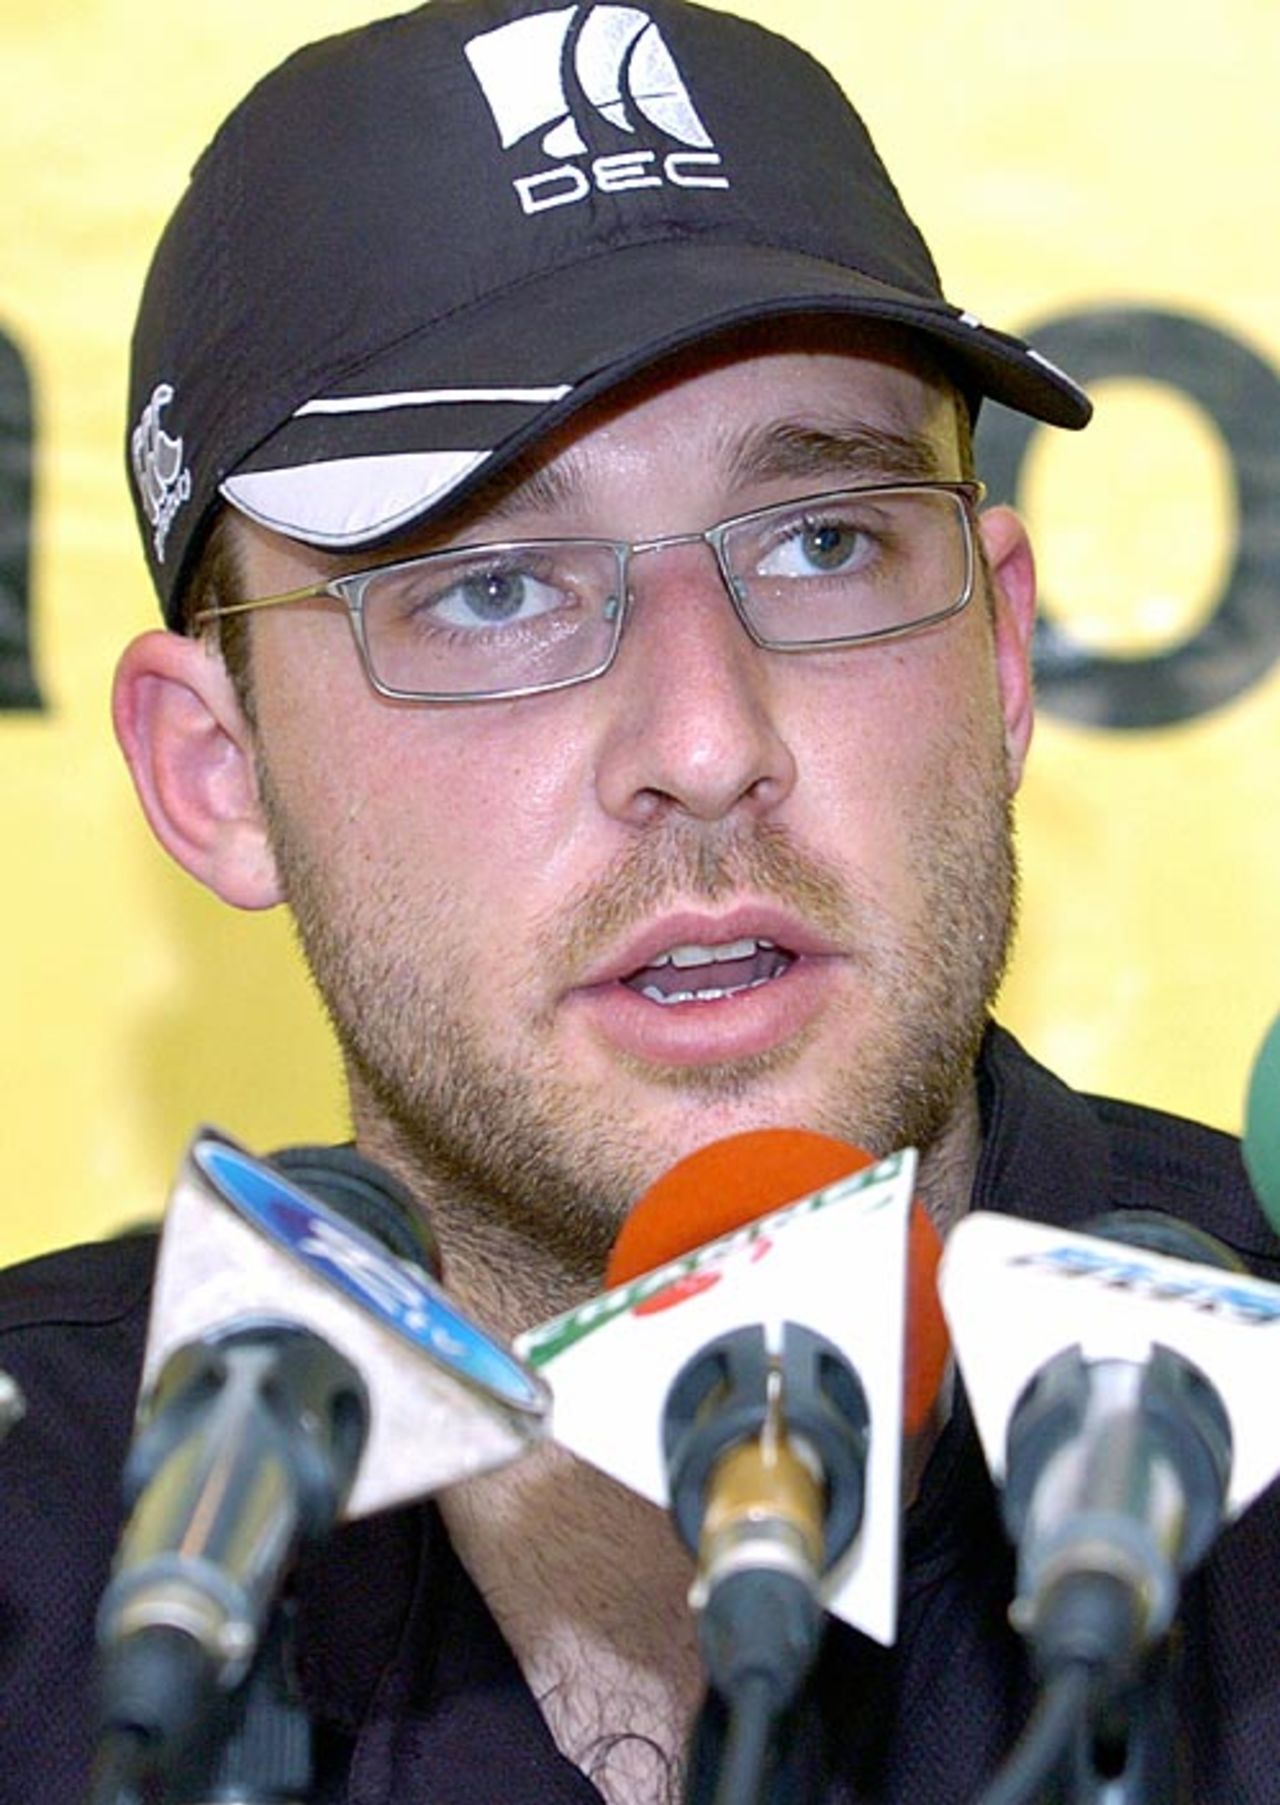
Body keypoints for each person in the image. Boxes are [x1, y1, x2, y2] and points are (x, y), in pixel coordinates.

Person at [1, 2, 1277, 1800]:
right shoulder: (35, 1550)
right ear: (219, 772)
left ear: (1000, 653)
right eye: (492, 588)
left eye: (824, 543)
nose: (704, 739)